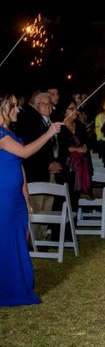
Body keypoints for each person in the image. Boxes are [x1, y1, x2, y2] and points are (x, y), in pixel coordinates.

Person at [0, 92, 62, 307]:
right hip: (3, 197)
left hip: (16, 197)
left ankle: (19, 286)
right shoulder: (0, 134)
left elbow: (20, 167)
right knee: (6, 242)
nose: (18, 110)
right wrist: (49, 131)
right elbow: (25, 152)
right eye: (14, 106)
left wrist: (26, 198)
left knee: (18, 240)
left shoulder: (10, 132)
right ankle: (6, 289)